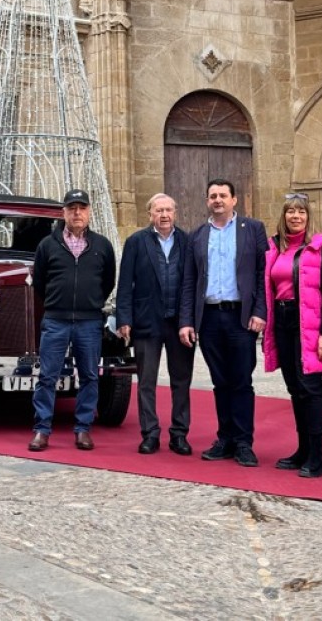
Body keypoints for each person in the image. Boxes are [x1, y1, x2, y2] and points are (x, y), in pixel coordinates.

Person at [179, 179, 268, 467]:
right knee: (220, 381)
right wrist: (187, 321)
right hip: (209, 317)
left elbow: (261, 274)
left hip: (241, 317)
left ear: (234, 200)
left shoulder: (253, 229)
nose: (218, 200)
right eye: (212, 196)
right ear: (207, 201)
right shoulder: (198, 235)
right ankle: (225, 438)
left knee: (241, 380)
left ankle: (244, 442)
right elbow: (190, 281)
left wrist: (260, 311)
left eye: (223, 195)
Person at [28, 189, 116, 452]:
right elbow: (40, 281)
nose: (77, 213)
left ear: (89, 212)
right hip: (56, 320)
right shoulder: (47, 245)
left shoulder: (102, 245)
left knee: (89, 375)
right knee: (47, 376)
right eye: (72, 208)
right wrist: (58, 302)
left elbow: (108, 281)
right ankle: (42, 430)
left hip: (89, 321)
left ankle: (83, 429)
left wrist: (91, 302)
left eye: (82, 208)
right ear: (63, 212)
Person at [262, 192, 322, 478]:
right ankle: (303, 450)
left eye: (301, 212)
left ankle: (318, 457)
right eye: (291, 212)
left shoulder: (321, 249)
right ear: (283, 216)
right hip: (282, 322)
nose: (296, 217)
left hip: (308, 323)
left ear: (308, 217)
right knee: (295, 387)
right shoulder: (275, 248)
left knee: (310, 389)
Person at [115, 193, 195, 456]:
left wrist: (189, 320)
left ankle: (179, 434)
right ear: (149, 214)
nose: (164, 215)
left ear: (175, 213)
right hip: (146, 322)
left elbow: (190, 284)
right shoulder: (136, 242)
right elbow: (125, 283)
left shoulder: (187, 241)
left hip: (179, 324)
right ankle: (150, 433)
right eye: (158, 210)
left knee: (181, 381)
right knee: (146, 381)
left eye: (168, 210)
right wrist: (124, 318)